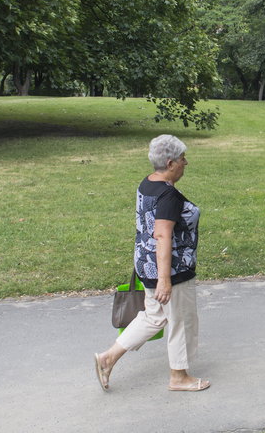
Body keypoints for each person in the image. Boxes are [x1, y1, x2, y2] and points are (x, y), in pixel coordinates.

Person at [94, 134, 210, 392]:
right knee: (182, 319)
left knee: (153, 317)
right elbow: (162, 234)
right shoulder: (168, 196)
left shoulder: (147, 183)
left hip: (146, 265)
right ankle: (179, 377)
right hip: (171, 270)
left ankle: (107, 358)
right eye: (182, 159)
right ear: (170, 163)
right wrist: (165, 280)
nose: (185, 163)